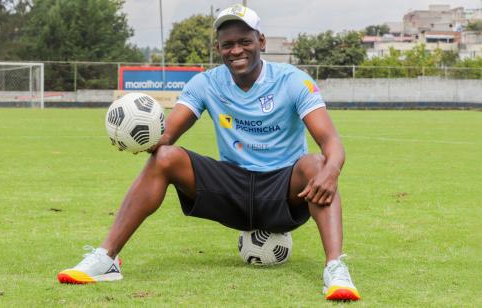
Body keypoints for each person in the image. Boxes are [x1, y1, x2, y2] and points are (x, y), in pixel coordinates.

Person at [58, 4, 361, 301]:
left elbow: (331, 141)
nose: (237, 50)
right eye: (228, 44)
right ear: (218, 48)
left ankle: (335, 267)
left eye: (245, 41)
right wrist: (141, 139)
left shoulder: (293, 80)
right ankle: (106, 258)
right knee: (164, 157)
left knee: (317, 164)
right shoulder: (206, 83)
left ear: (261, 41)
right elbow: (168, 136)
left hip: (283, 191)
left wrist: (331, 172)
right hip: (232, 189)